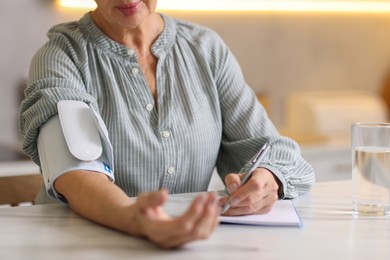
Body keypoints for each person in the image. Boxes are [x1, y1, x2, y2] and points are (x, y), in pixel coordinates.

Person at [19, 0, 315, 249]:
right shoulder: (60, 56)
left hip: (187, 244)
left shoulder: (206, 49)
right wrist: (135, 219)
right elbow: (76, 169)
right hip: (83, 246)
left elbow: (272, 149)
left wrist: (267, 178)